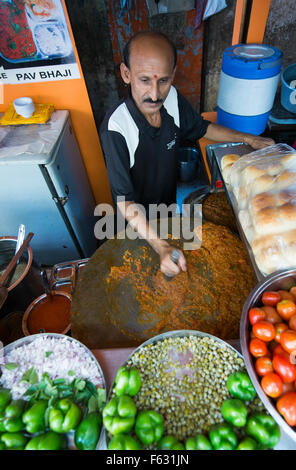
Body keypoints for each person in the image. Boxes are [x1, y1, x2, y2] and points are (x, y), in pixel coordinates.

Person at [99, 31, 275, 278]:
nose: (155, 94)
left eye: (163, 81)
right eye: (144, 80)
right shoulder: (116, 128)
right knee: (142, 279)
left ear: (173, 74)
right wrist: (159, 246)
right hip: (135, 224)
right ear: (126, 74)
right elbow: (125, 202)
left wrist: (248, 139)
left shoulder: (171, 99)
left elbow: (202, 127)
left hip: (168, 209)